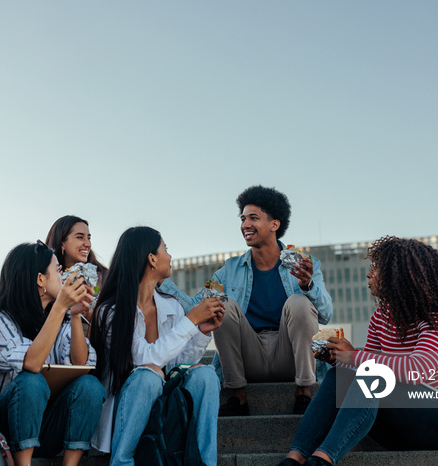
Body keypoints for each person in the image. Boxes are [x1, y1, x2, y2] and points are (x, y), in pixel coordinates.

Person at [277, 236, 438, 466]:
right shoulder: (380, 318)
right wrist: (337, 358)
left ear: (400, 275)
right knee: (341, 374)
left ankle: (322, 460)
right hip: (403, 426)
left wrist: (353, 356)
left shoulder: (436, 318)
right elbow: (364, 365)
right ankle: (294, 459)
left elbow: (416, 371)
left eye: (376, 268)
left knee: (370, 373)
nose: (369, 274)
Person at [159, 185, 333, 415]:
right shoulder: (229, 270)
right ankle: (237, 396)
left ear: (274, 224)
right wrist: (163, 282)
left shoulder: (303, 264)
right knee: (223, 303)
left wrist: (307, 285)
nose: (245, 225)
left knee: (299, 302)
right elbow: (196, 309)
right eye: (243, 219)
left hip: (289, 356)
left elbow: (326, 315)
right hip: (248, 357)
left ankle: (303, 392)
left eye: (253, 218)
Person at [89, 226, 224, 466]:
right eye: (166, 249)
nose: (170, 257)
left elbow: (176, 363)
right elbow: (145, 359)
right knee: (148, 376)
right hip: (127, 405)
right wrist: (191, 320)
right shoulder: (112, 311)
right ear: (152, 259)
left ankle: (204, 462)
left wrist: (201, 332)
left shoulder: (170, 305)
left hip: (164, 399)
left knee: (205, 374)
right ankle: (121, 461)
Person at [0, 242, 106, 466]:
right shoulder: (0, 321)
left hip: (47, 426)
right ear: (40, 279)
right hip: (9, 426)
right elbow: (32, 363)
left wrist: (75, 314)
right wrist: (60, 308)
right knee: (32, 381)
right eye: (58, 270)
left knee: (90, 385)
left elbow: (80, 363)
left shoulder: (61, 317)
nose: (63, 275)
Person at [46, 215, 108, 328]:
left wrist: (89, 314)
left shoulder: (104, 278)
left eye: (89, 238)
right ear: (62, 243)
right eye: (80, 237)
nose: (88, 244)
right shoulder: (48, 279)